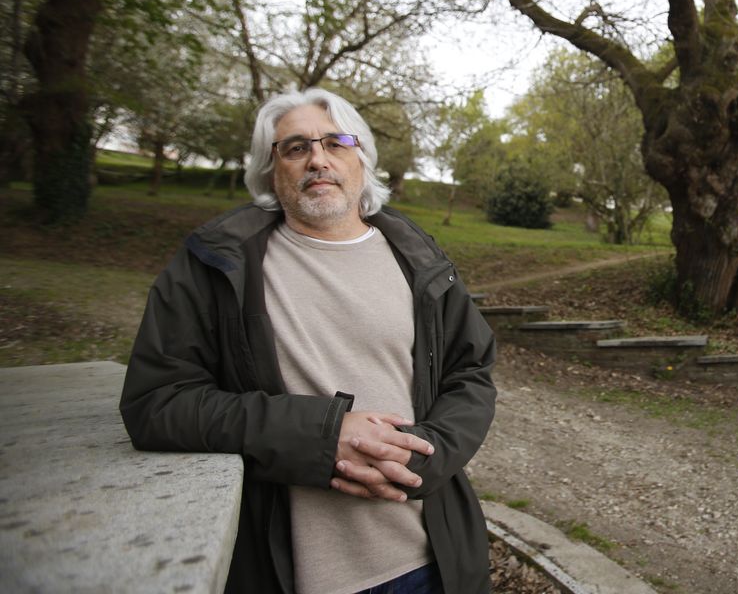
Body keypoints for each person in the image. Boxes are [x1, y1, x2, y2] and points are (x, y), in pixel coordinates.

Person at [120, 88, 497, 594]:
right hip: (293, 573)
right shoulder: (216, 264)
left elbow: (471, 374)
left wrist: (426, 454)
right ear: (269, 170)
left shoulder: (420, 260)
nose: (318, 158)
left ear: (362, 158)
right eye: (296, 148)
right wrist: (320, 433)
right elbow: (157, 403)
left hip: (429, 561)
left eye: (337, 143)